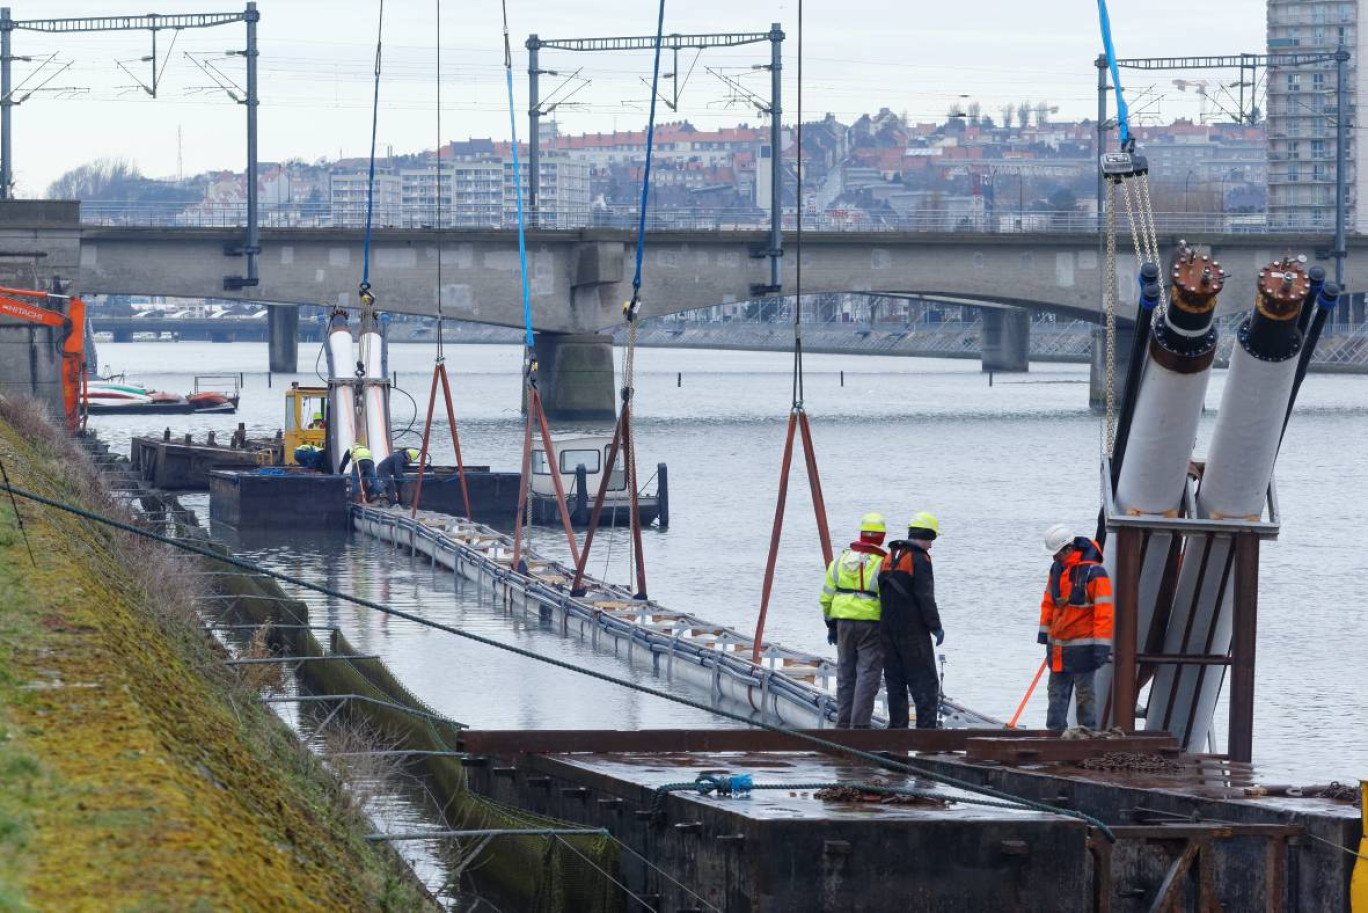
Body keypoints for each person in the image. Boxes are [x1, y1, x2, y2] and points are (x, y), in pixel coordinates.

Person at [1039, 524, 1114, 732]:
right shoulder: (1057, 570)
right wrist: (1044, 634)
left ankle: (1087, 736)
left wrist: (1101, 647)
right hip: (1058, 648)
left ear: (1068, 549)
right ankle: (1054, 737)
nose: (1054, 559)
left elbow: (1104, 612)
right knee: (1056, 694)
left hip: (1083, 648)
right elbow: (1048, 602)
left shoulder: (1094, 573)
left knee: (1084, 695)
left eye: (1057, 555)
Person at [819, 513, 887, 729]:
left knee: (845, 673)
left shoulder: (839, 562)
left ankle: (843, 724)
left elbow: (826, 597)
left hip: (843, 623)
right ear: (882, 538)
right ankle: (859, 729)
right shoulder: (883, 564)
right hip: (871, 624)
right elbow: (888, 599)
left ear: (861, 534)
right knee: (867, 675)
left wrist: (830, 625)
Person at [878, 511, 944, 729]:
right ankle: (926, 734)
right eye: (931, 539)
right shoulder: (920, 559)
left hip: (886, 630)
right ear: (925, 535)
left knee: (895, 683)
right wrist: (936, 627)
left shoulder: (889, 557)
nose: (931, 545)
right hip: (913, 632)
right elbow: (925, 597)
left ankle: (897, 732)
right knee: (925, 684)